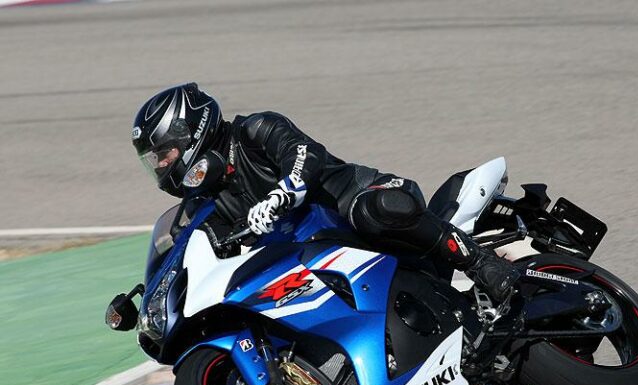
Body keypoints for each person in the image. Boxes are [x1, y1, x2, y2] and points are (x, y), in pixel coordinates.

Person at [132, 83, 519, 303]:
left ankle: (483, 264)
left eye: (164, 155)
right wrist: (151, 296)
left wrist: (284, 192)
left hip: (359, 199)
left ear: (191, 132)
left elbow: (303, 152)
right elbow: (187, 249)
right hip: (318, 251)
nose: (163, 167)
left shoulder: (254, 130)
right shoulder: (208, 201)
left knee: (373, 210)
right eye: (155, 162)